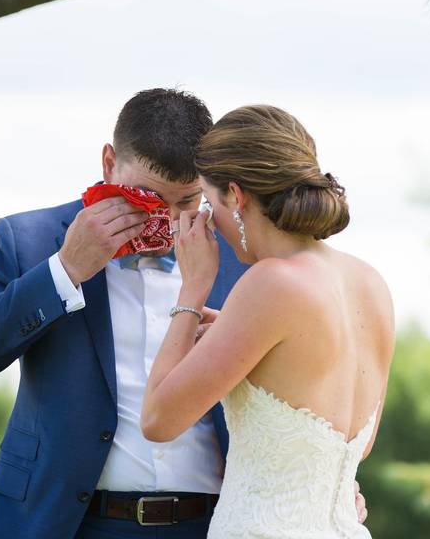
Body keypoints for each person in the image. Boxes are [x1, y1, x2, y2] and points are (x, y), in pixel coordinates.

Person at [0, 90, 369, 538]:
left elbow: (304, 387)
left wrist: (323, 480)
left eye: (187, 202)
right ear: (108, 164)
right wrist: (63, 271)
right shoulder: (30, 240)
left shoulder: (248, 260)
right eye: (146, 199)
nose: (167, 223)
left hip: (212, 524)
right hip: (64, 523)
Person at [141, 104, 395, 538]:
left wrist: (192, 291)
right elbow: (356, 442)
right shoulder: (370, 282)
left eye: (208, 199)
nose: (207, 219)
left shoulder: (270, 282)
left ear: (236, 197)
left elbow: (158, 420)